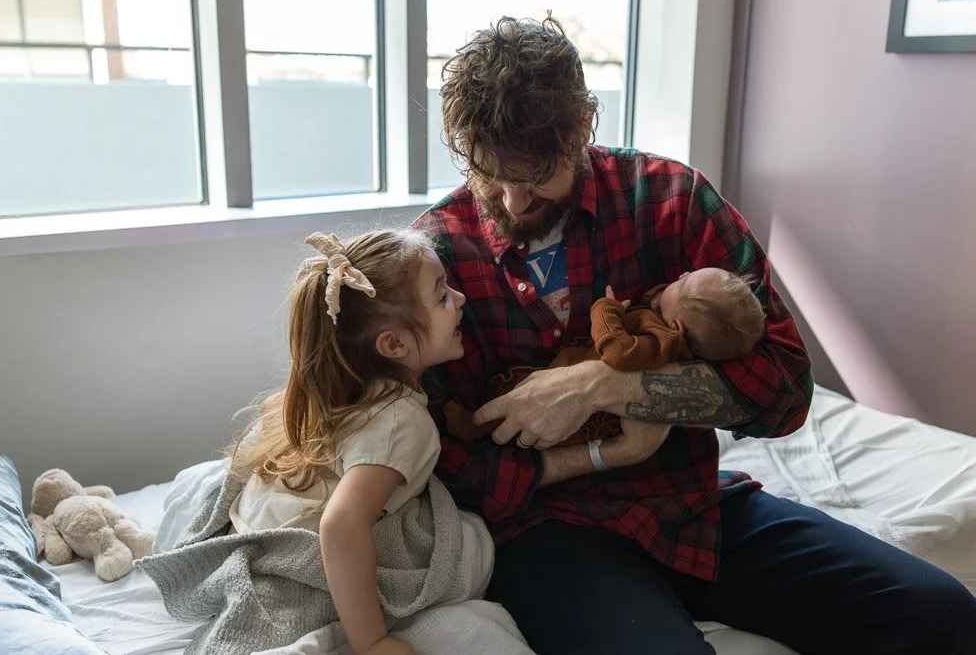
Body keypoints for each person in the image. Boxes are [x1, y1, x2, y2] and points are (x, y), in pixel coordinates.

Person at [411, 15, 976, 654]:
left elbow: (787, 388)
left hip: (691, 505)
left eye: (537, 177)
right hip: (548, 530)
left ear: (581, 133)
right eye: (490, 175)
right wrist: (593, 457)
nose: (513, 202)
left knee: (941, 613)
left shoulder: (670, 200)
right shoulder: (438, 256)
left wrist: (605, 385)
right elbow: (444, 463)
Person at [225, 230, 668, 655]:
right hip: (301, 556)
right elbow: (341, 526)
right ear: (394, 344)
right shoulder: (403, 423)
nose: (460, 299)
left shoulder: (348, 387)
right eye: (442, 296)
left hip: (257, 524)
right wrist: (371, 642)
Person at [443, 267, 764, 448]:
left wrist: (605, 309)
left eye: (682, 282)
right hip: (568, 369)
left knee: (515, 405)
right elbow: (664, 301)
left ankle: (472, 426)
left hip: (580, 406)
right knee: (518, 388)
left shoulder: (663, 342)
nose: (681, 273)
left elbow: (617, 353)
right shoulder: (672, 329)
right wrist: (667, 297)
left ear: (677, 327)